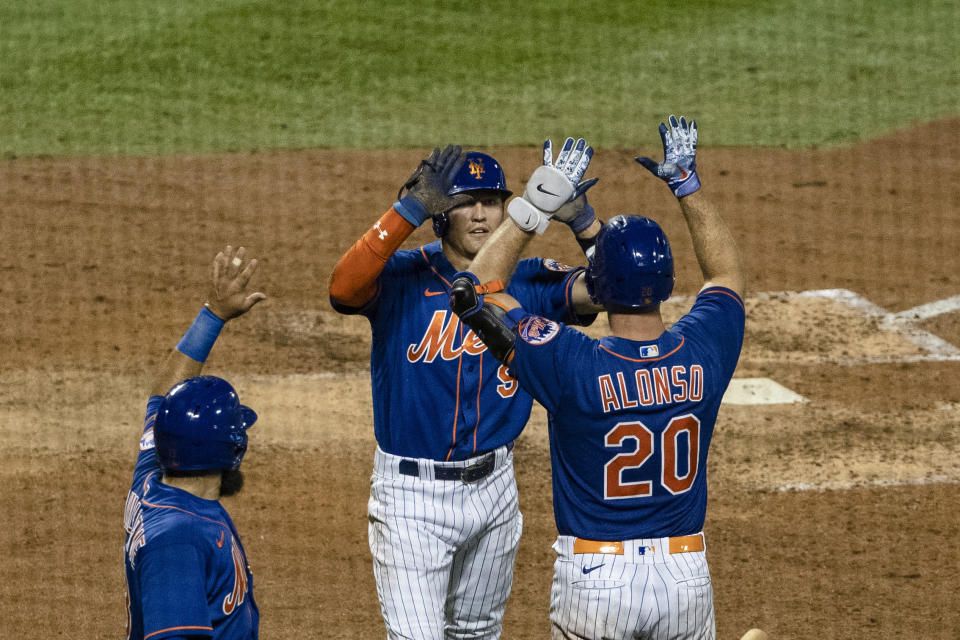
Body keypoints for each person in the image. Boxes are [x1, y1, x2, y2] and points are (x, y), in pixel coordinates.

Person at [449, 116, 745, 640]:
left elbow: (477, 288)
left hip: (598, 581)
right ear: (667, 281)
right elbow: (725, 275)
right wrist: (687, 186)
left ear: (598, 286)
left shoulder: (570, 361)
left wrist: (534, 209)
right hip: (685, 576)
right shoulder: (704, 348)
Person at [327, 143, 601, 639]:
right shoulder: (404, 276)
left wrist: (583, 221)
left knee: (477, 634)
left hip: (495, 490)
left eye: (491, 201)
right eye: (464, 202)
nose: (480, 214)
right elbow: (343, 289)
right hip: (413, 497)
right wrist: (407, 208)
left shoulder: (532, 281)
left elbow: (612, 290)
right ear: (440, 215)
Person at [123, 246, 266, 640]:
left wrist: (214, 315)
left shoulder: (154, 475)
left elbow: (161, 394)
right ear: (232, 451)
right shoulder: (178, 539)